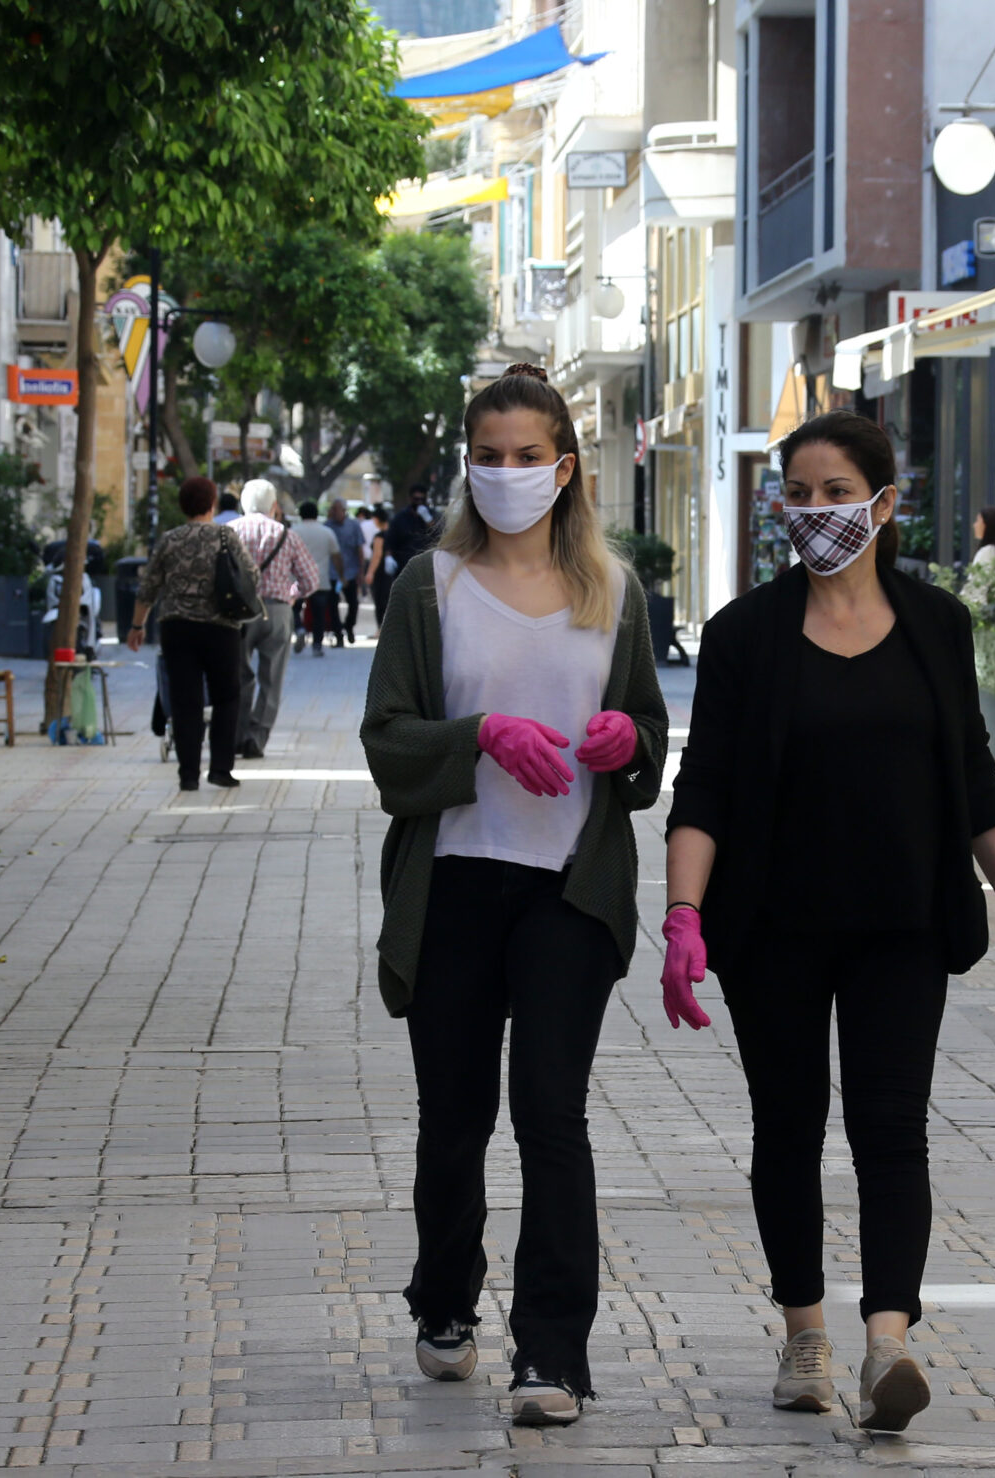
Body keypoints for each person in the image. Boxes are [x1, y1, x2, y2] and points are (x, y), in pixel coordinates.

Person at [662, 410, 995, 1433]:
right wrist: (680, 912)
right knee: (788, 1127)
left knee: (890, 1130)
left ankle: (888, 1340)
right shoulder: (743, 635)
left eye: (834, 490)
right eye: (795, 493)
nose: (812, 511)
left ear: (883, 505)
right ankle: (806, 1337)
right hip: (773, 930)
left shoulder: (935, 623)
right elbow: (702, 785)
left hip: (901, 925)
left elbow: (972, 777)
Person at [360, 363, 669, 1427]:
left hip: (567, 892)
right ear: (467, 465)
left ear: (564, 466)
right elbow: (386, 741)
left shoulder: (612, 591)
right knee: (454, 1115)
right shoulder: (426, 587)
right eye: (487, 457)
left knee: (551, 1112)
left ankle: (552, 1352)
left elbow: (641, 736)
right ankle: (444, 1300)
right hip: (452, 882)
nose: (506, 473)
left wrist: (631, 744)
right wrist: (479, 736)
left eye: (526, 455)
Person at [126, 477, 259, 791]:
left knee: (186, 700)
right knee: (227, 696)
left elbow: (148, 588)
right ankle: (220, 768)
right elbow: (250, 574)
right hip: (221, 627)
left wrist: (136, 625)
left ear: (183, 506)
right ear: (211, 503)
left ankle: (188, 774)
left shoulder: (170, 539)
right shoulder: (226, 536)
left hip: (177, 627)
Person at [229, 481, 322, 759]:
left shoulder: (229, 532)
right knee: (272, 679)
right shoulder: (286, 535)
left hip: (239, 613)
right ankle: (256, 738)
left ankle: (236, 734)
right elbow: (311, 580)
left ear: (244, 504)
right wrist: (291, 595)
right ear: (273, 507)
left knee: (239, 676)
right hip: (277, 612)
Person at [292, 499, 343, 657]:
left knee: (294, 608)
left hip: (297, 579)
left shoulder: (293, 531)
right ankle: (317, 645)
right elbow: (336, 556)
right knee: (319, 614)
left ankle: (299, 628)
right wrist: (341, 576)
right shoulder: (327, 532)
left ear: (300, 514)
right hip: (320, 578)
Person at [329, 497, 368, 645]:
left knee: (353, 603)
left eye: (336, 509)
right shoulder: (328, 526)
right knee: (332, 605)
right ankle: (338, 634)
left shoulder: (354, 526)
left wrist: (361, 572)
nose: (333, 512)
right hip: (332, 572)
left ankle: (349, 626)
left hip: (351, 571)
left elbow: (360, 550)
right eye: (332, 509)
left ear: (344, 511)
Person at [387, 483, 437, 576]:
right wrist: (388, 557)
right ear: (410, 498)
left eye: (422, 499)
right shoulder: (400, 518)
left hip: (427, 563)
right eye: (416, 499)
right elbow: (391, 539)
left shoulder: (432, 515)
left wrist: (429, 520)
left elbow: (438, 534)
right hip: (404, 563)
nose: (419, 502)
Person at [368, 504, 395, 630]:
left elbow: (377, 555)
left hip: (381, 572)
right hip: (393, 571)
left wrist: (370, 572)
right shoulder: (393, 533)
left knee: (380, 601)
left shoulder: (379, 536)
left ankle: (380, 628)